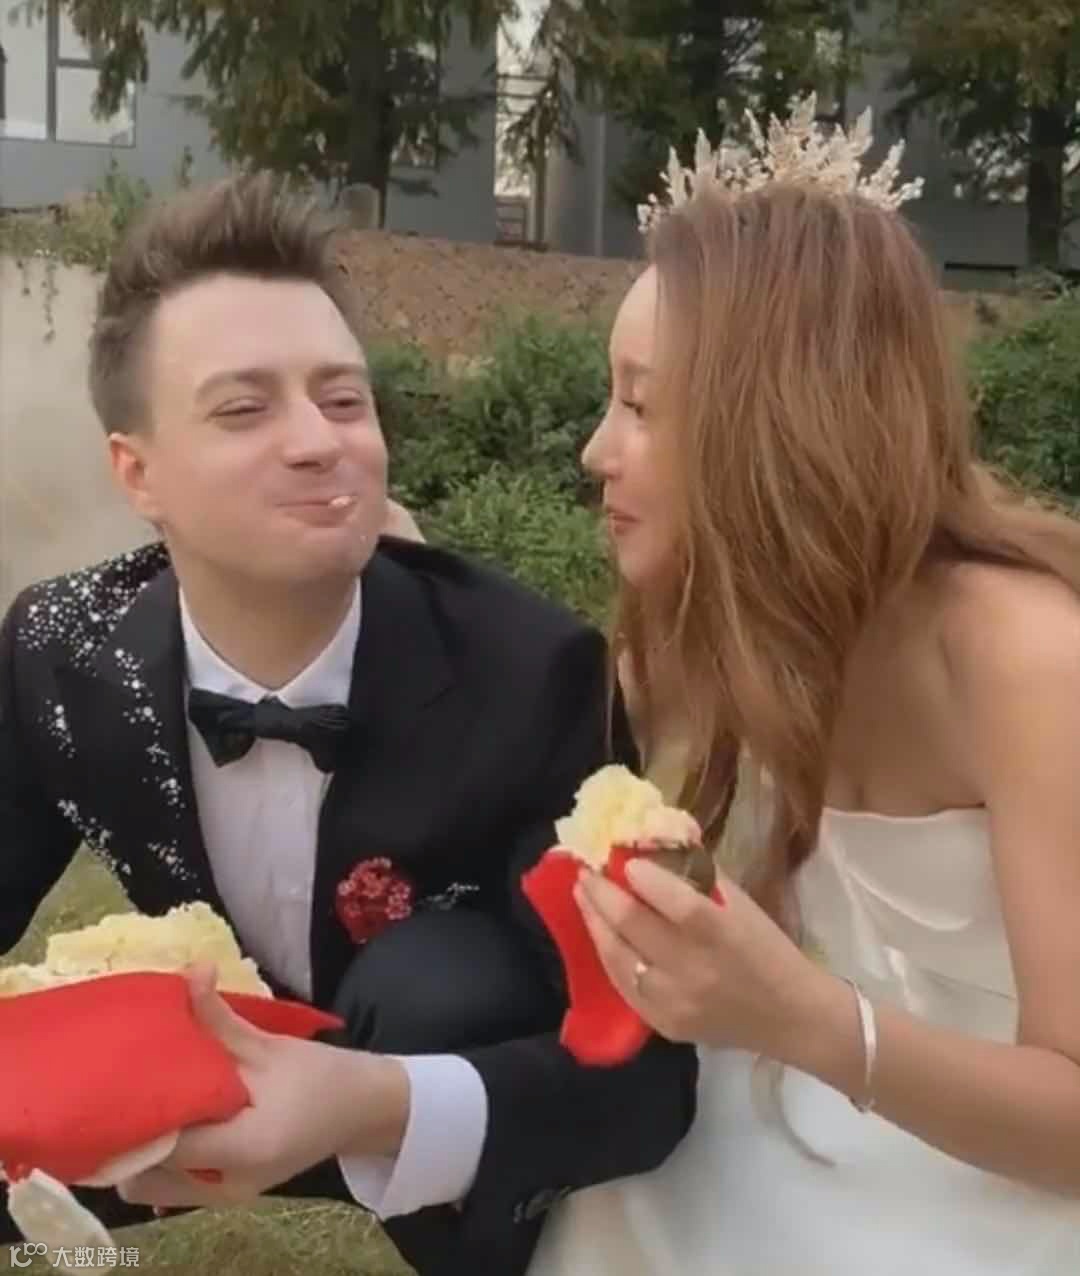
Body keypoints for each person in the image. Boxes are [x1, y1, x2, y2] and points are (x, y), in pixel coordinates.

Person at [0, 172, 697, 1276]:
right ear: (137, 472)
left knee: (435, 982)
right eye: (244, 409)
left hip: (422, 1091)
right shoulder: (63, 647)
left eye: (343, 400)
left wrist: (375, 1103)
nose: (319, 443)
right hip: (191, 1083)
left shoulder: (531, 672)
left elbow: (650, 1080)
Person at [525, 101, 1080, 1275]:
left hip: (1013, 1183)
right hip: (782, 1117)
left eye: (639, 404)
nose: (595, 451)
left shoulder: (1028, 658)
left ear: (775, 424)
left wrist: (805, 1020)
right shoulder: (710, 630)